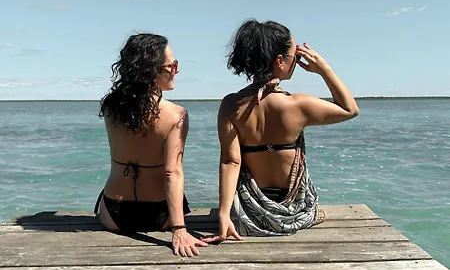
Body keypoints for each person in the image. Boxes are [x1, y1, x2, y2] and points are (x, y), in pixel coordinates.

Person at [203, 19, 359, 243]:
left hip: (250, 212)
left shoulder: (231, 105)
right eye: (295, 55)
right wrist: (324, 69)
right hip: (293, 212)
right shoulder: (297, 105)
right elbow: (350, 109)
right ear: (279, 61)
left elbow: (231, 162)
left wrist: (224, 216)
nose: (297, 60)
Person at [95, 33, 207, 257]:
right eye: (172, 65)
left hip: (113, 214)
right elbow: (172, 173)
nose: (176, 71)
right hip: (161, 215)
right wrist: (179, 229)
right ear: (152, 70)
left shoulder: (111, 107)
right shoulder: (176, 115)